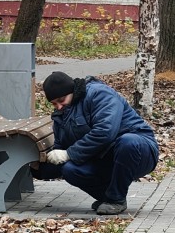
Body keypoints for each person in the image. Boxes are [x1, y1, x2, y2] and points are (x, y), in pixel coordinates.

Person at [32, 71, 159, 215]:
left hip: (139, 151)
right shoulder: (61, 116)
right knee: (69, 169)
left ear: (72, 91)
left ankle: (115, 199)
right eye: (54, 103)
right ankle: (109, 197)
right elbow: (60, 151)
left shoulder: (99, 94)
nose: (59, 106)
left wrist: (69, 153)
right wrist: (37, 168)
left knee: (128, 142)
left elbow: (105, 132)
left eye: (61, 100)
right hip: (104, 158)